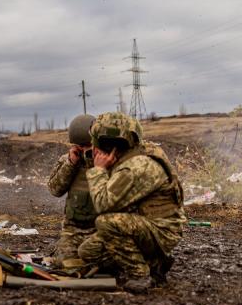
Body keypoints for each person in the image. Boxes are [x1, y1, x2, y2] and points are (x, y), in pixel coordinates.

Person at [77, 112, 185, 293]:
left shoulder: (136, 167)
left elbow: (103, 204)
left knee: (106, 223)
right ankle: (155, 263)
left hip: (162, 231)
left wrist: (98, 170)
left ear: (107, 142)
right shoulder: (132, 154)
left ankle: (140, 275)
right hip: (148, 224)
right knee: (88, 252)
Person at [47, 114, 97, 269]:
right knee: (65, 264)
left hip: (101, 228)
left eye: (88, 145)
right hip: (74, 229)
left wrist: (95, 162)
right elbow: (55, 190)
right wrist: (71, 164)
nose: (84, 150)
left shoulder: (108, 160)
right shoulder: (68, 160)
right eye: (80, 146)